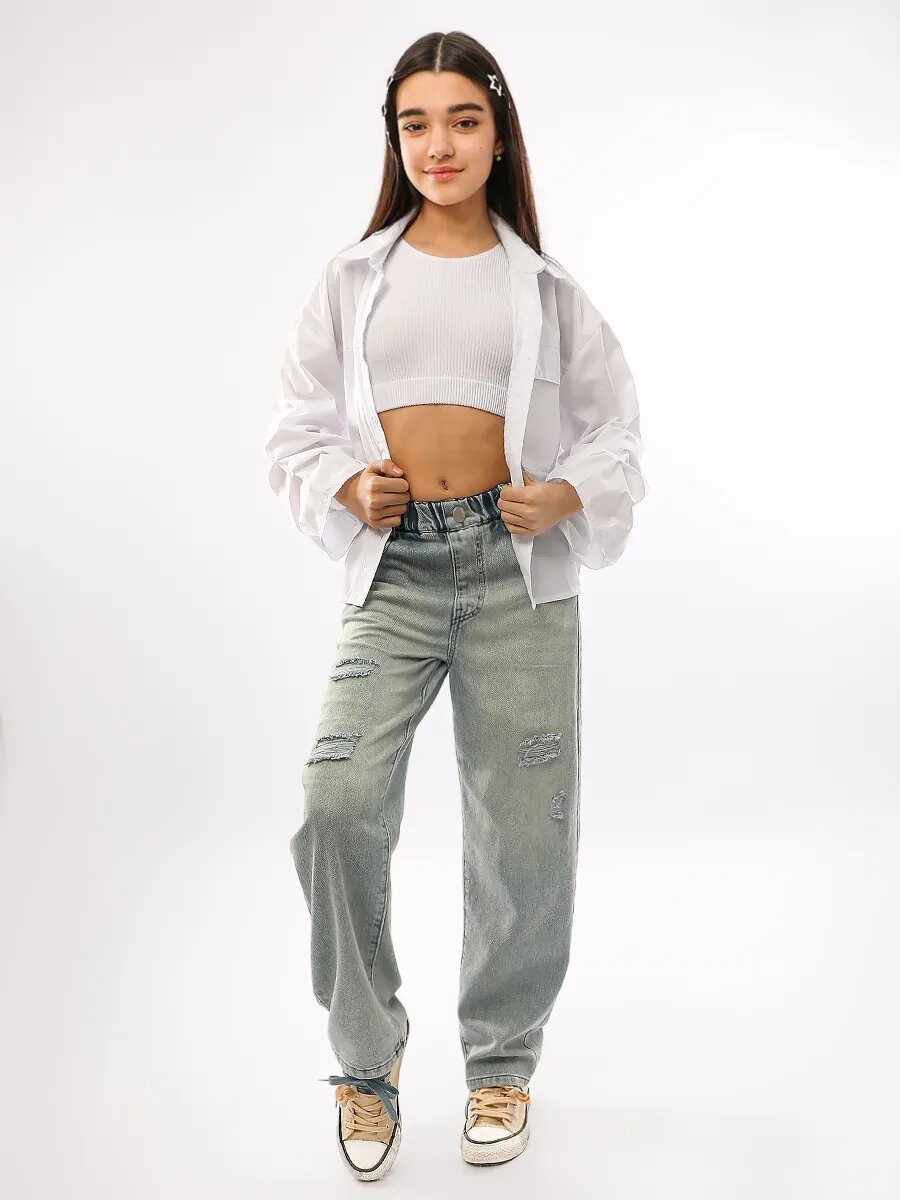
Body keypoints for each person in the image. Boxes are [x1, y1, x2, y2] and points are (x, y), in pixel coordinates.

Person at [263, 30, 648, 1182]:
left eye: (463, 121)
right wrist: (346, 483)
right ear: (394, 140)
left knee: (524, 829)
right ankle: (365, 1060)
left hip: (514, 573)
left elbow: (618, 427)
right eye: (415, 124)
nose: (439, 144)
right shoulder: (351, 280)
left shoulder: (547, 290)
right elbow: (294, 427)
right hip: (397, 571)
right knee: (336, 801)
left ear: (498, 132)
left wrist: (565, 493)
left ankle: (502, 1062)